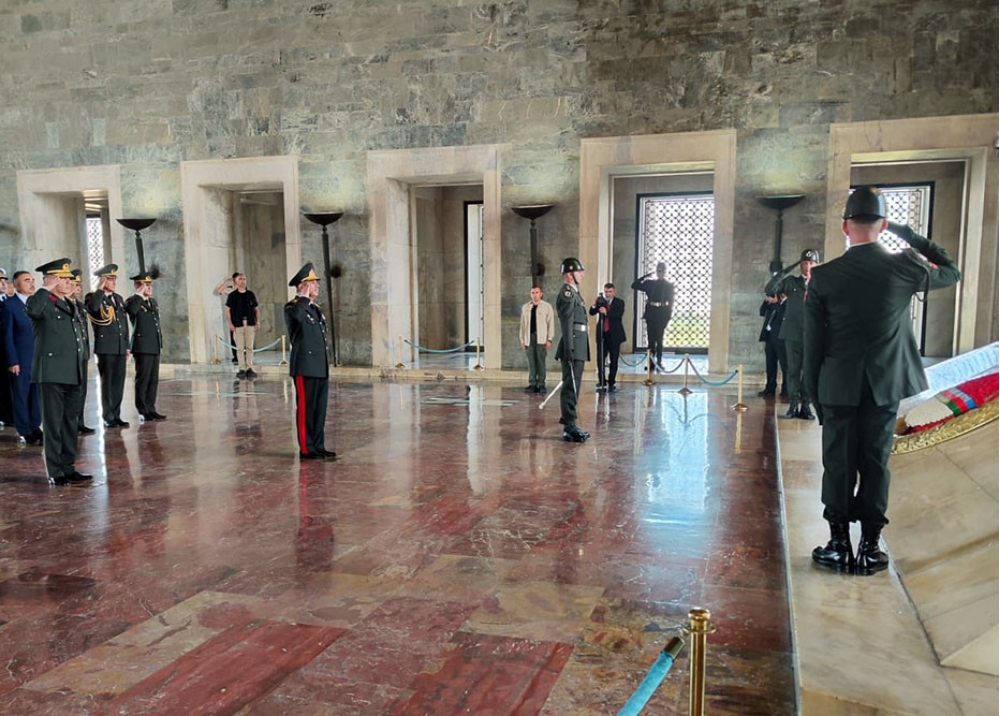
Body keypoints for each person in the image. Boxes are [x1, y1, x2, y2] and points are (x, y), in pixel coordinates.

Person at [804, 186, 961, 576]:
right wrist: (909, 235)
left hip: (838, 386)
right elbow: (951, 271)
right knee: (876, 462)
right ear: (883, 224)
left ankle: (839, 545)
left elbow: (813, 344)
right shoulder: (905, 266)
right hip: (885, 385)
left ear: (845, 227)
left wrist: (813, 393)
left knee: (838, 463)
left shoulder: (823, 276)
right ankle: (870, 548)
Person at [26, 259, 91, 485]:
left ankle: (68, 466)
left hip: (73, 372)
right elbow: (32, 310)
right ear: (51, 280)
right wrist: (46, 288)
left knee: (70, 423)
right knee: (53, 424)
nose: (69, 282)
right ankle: (55, 471)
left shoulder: (71, 304)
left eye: (69, 279)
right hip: (52, 373)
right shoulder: (42, 302)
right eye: (63, 279)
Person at [284, 263, 336, 460]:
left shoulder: (315, 309)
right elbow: (297, 319)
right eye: (313, 282)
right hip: (304, 367)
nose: (317, 286)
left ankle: (318, 446)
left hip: (320, 367)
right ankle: (307, 449)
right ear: (303, 285)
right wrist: (303, 297)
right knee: (306, 409)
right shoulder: (293, 307)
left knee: (319, 410)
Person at [765, 249, 819, 419]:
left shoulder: (821, 284)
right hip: (792, 334)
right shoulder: (791, 282)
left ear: (817, 265)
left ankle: (806, 406)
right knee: (793, 371)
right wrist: (785, 271)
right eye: (804, 263)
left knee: (809, 372)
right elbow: (769, 288)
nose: (807, 266)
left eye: (811, 263)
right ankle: (793, 405)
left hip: (812, 335)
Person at [86, 264, 130, 428]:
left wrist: (127, 345)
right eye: (110, 279)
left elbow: (123, 324)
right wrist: (99, 289)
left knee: (118, 383)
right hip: (106, 347)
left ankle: (116, 415)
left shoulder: (118, 298)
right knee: (108, 383)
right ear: (102, 280)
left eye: (114, 279)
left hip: (119, 347)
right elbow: (93, 308)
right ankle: (108, 416)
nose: (114, 282)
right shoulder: (94, 297)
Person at [1, 270, 42, 444]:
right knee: (21, 396)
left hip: (38, 359)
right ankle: (25, 430)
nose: (31, 283)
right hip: (21, 360)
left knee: (36, 397)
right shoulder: (9, 306)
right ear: (16, 285)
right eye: (27, 280)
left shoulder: (37, 304)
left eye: (32, 280)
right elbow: (7, 336)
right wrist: (12, 361)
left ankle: (35, 426)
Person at [555, 257, 590, 443]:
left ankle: (571, 424)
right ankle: (569, 427)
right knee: (570, 386)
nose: (582, 274)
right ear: (570, 275)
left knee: (575, 385)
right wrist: (569, 347)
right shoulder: (567, 293)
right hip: (573, 345)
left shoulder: (575, 293)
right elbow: (567, 322)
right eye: (579, 271)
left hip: (579, 344)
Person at [125, 272, 166, 422]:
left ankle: (151, 408)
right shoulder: (133, 301)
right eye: (146, 285)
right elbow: (132, 311)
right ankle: (142, 410)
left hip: (154, 345)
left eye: (150, 285)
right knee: (143, 379)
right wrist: (139, 294)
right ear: (138, 286)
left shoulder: (152, 302)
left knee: (153, 380)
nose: (149, 287)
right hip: (142, 346)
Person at [631, 262, 674, 370]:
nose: (660, 273)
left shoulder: (668, 285)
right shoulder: (650, 283)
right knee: (650, 340)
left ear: (665, 272)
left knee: (659, 339)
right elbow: (634, 285)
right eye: (658, 271)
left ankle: (659, 361)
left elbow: (671, 302)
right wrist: (645, 277)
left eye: (662, 271)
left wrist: (668, 316)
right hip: (651, 313)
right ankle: (650, 362)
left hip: (662, 313)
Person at [70, 269, 96, 434]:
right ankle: (71, 423)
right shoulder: (63, 305)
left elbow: (84, 332)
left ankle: (80, 422)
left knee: (82, 390)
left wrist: (86, 354)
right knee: (72, 392)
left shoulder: (80, 306)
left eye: (79, 285)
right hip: (70, 356)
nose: (78, 288)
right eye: (75, 284)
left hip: (81, 355)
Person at [589, 282, 626, 393]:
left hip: (614, 335)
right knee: (600, 358)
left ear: (614, 292)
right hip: (602, 335)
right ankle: (601, 381)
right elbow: (591, 312)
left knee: (614, 360)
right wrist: (595, 304)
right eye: (606, 292)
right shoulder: (602, 302)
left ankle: (611, 381)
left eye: (610, 292)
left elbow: (618, 315)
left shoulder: (619, 302)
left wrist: (607, 312)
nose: (608, 294)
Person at [518, 285, 554, 393]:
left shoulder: (547, 307)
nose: (535, 295)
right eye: (533, 293)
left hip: (541, 338)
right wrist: (522, 340)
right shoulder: (525, 307)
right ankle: (532, 383)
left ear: (541, 294)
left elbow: (550, 323)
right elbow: (522, 324)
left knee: (540, 361)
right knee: (531, 362)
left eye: (537, 292)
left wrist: (549, 339)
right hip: (529, 338)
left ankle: (541, 383)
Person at [226, 272, 261, 379]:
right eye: (240, 279)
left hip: (250, 323)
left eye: (244, 279)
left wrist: (257, 322)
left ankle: (249, 367)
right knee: (240, 348)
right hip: (238, 324)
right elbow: (228, 311)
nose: (243, 281)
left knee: (249, 347)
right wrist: (230, 324)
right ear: (235, 281)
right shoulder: (232, 296)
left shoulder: (250, 294)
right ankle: (242, 368)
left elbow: (256, 309)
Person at [757, 293, 788, 398]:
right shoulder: (770, 304)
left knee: (785, 366)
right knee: (770, 365)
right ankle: (770, 388)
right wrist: (766, 302)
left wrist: (777, 303)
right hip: (770, 338)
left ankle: (786, 389)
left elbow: (784, 315)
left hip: (781, 339)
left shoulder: (786, 304)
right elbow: (762, 312)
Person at [214, 274, 239, 364]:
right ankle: (235, 356)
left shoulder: (243, 288)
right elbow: (218, 291)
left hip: (242, 314)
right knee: (233, 336)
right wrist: (226, 282)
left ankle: (244, 354)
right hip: (232, 314)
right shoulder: (229, 288)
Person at [0, 266, 12, 429]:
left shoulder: (9, 302)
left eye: (4, 280)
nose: (3, 283)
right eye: (0, 281)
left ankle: (9, 415)